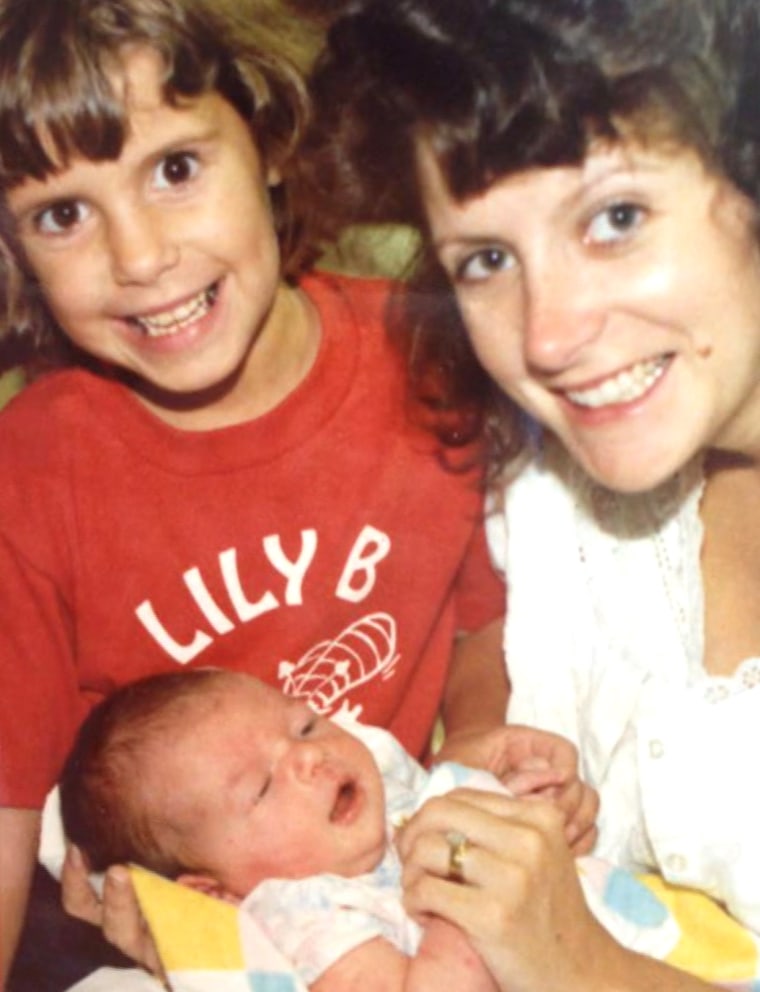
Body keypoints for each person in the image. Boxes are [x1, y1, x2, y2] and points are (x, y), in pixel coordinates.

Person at [0, 0, 516, 983]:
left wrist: (479, 740)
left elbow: (475, 621)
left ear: (270, 139)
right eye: (63, 214)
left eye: (177, 168)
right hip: (150, 932)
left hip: (388, 897)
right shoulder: (29, 469)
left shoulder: (429, 354)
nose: (142, 257)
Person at [298, 0, 760, 989]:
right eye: (487, 260)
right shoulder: (552, 488)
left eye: (616, 219)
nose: (545, 337)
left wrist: (577, 961)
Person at [58, 669, 649, 992]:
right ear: (213, 892)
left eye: (306, 726)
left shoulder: (395, 805)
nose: (307, 758)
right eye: (262, 788)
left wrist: (519, 802)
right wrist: (462, 895)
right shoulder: (308, 914)